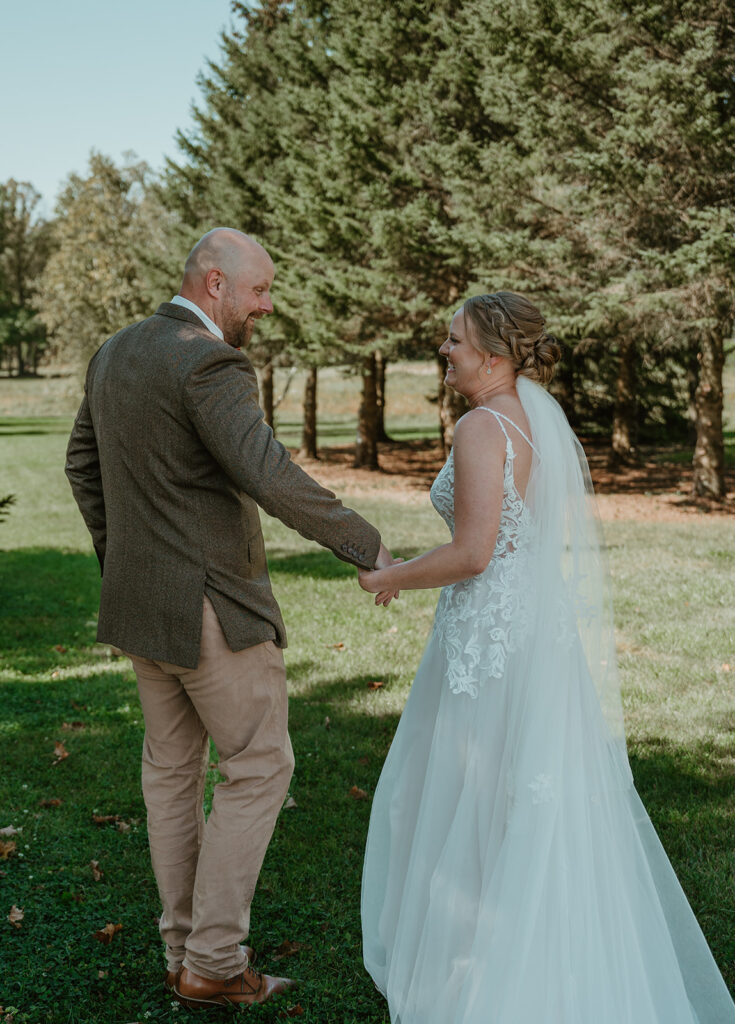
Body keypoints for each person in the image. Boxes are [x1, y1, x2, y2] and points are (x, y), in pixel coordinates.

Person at [358, 292, 735, 1023]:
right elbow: (504, 542)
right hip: (528, 632)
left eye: (454, 341)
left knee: (461, 795)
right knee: (520, 797)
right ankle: (525, 949)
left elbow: (471, 554)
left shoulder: (478, 427)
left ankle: (481, 969)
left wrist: (391, 575)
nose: (444, 350)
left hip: (487, 643)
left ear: (494, 357)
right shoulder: (534, 419)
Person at [65, 228, 395, 1012]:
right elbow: (265, 469)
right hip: (214, 612)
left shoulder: (116, 349)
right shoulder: (207, 360)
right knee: (258, 767)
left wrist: (124, 560)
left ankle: (183, 949)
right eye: (259, 290)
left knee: (171, 776)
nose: (266, 305)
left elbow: (81, 464)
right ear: (214, 284)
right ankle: (213, 961)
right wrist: (362, 540)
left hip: (141, 611)